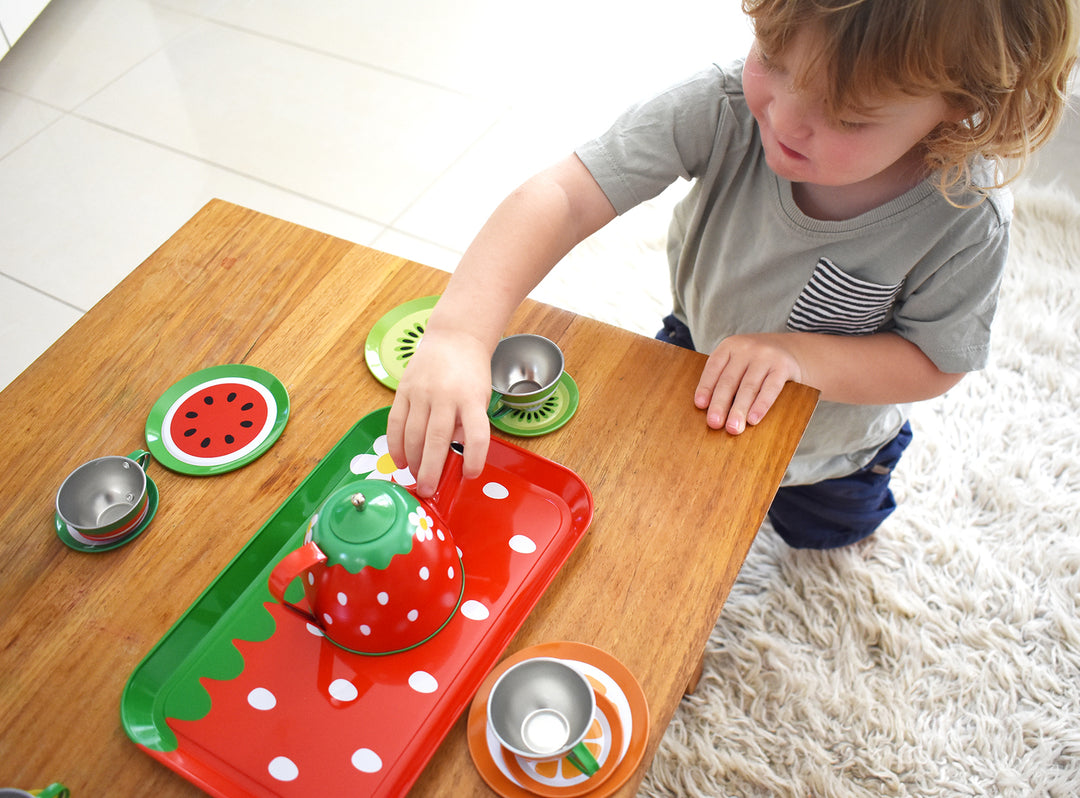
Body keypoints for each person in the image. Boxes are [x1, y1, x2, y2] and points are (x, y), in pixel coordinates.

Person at [386, 0, 1078, 548]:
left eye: (845, 116)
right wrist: (458, 334)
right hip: (698, 348)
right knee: (660, 495)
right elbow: (564, 196)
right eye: (773, 60)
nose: (784, 118)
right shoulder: (721, 105)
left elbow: (933, 364)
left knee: (827, 532)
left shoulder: (966, 215)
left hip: (835, 439)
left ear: (959, 105)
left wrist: (793, 355)